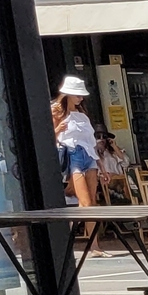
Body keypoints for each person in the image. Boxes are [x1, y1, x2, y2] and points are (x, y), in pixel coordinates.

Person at [52, 77, 98, 211]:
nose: (81, 98)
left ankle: (91, 232)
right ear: (68, 94)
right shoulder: (57, 111)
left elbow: (91, 141)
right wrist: (58, 129)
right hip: (73, 156)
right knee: (86, 203)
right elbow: (49, 140)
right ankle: (84, 231)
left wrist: (102, 166)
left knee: (92, 204)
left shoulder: (82, 114)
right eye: (78, 95)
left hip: (90, 156)